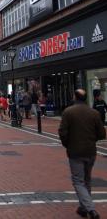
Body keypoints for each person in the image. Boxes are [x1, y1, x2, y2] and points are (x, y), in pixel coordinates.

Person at [58, 89, 106, 219]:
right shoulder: (94, 113)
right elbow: (102, 133)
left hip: (75, 152)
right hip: (91, 151)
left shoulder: (68, 112)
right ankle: (84, 208)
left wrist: (67, 144)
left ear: (75, 97)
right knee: (87, 180)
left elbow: (62, 132)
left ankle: (90, 209)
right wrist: (91, 140)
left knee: (78, 181)